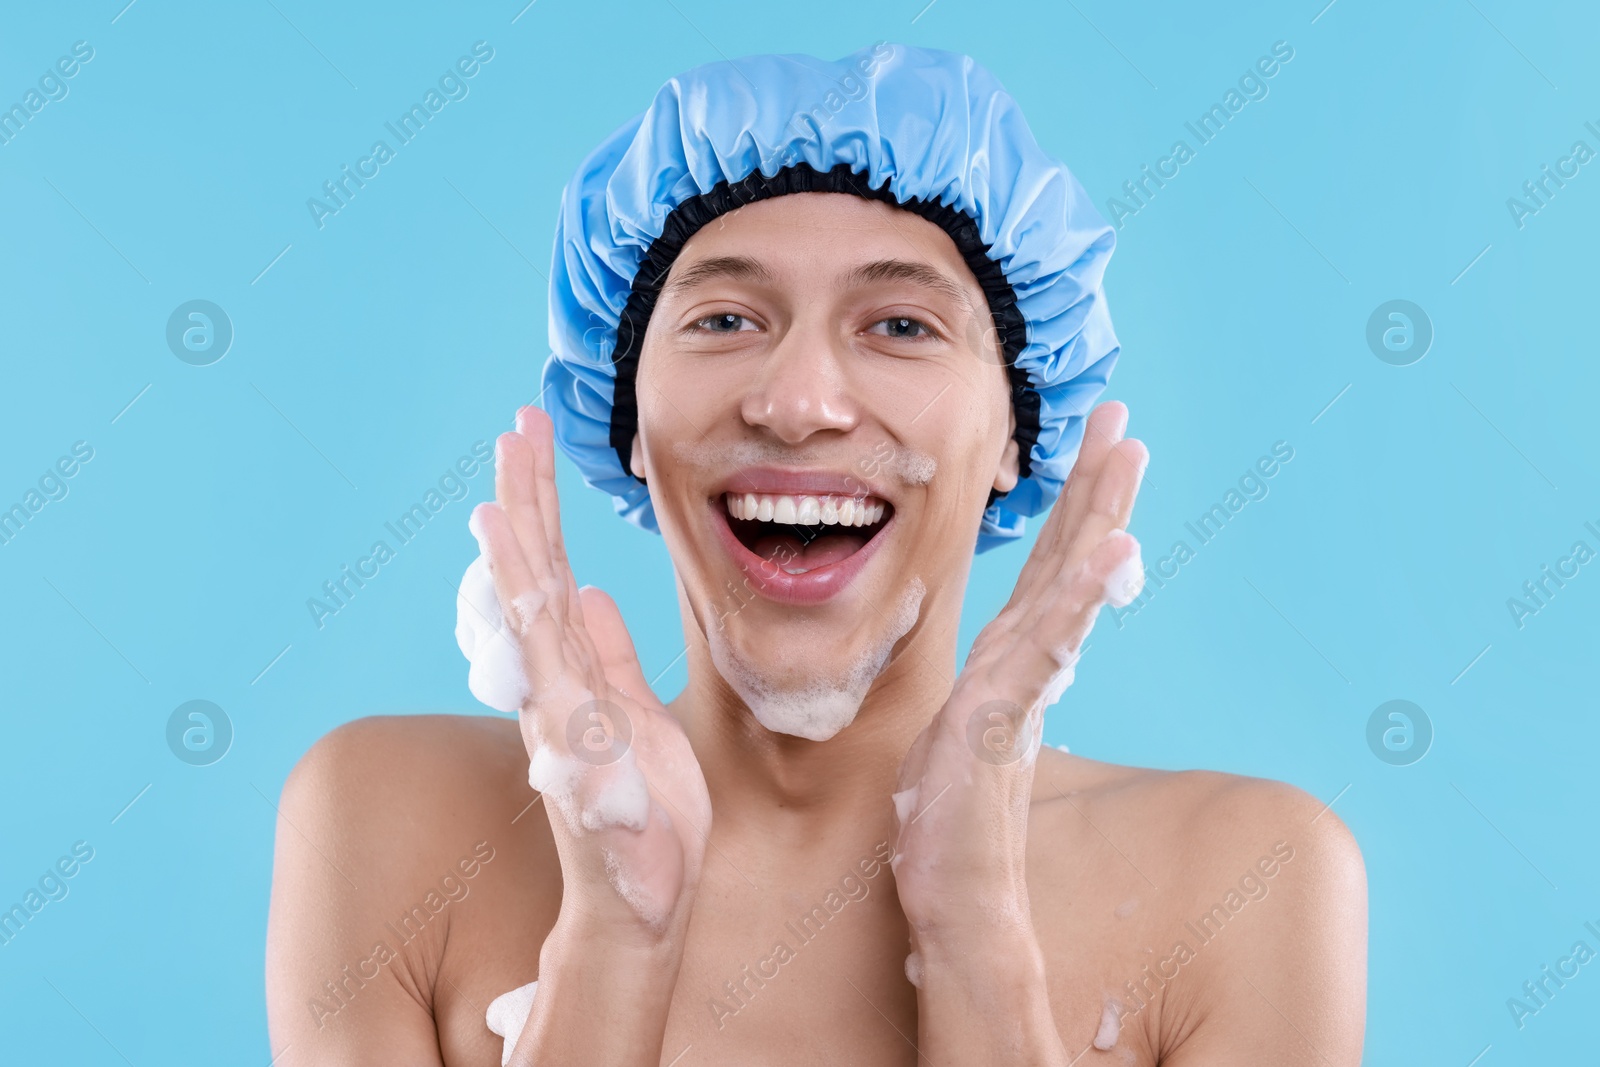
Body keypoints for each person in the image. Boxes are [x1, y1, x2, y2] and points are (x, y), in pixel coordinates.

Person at [266, 43, 1366, 1065]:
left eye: (900, 326)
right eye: (725, 319)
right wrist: (613, 939)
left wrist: (975, 930)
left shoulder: (1248, 878)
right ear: (629, 423)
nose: (795, 403)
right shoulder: (387, 824)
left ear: (1013, 434)